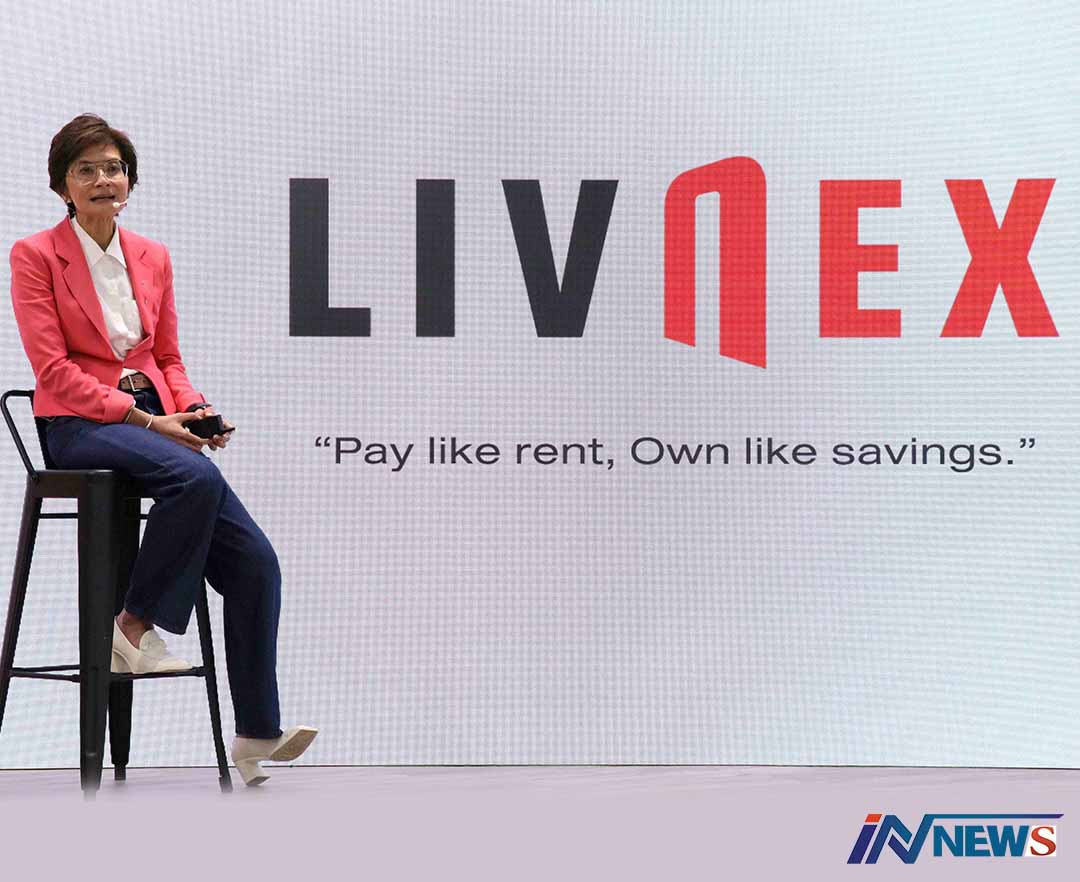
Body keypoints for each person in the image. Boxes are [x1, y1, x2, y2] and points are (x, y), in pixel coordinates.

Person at [8, 114, 316, 786]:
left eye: (114, 168)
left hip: (152, 419)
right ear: (62, 185)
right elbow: (53, 371)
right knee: (192, 480)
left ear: (130, 180)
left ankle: (256, 733)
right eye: (86, 170)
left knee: (257, 565)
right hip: (79, 424)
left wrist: (193, 411)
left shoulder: (152, 255)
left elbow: (167, 357)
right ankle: (131, 628)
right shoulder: (35, 255)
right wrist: (152, 424)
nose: (103, 180)